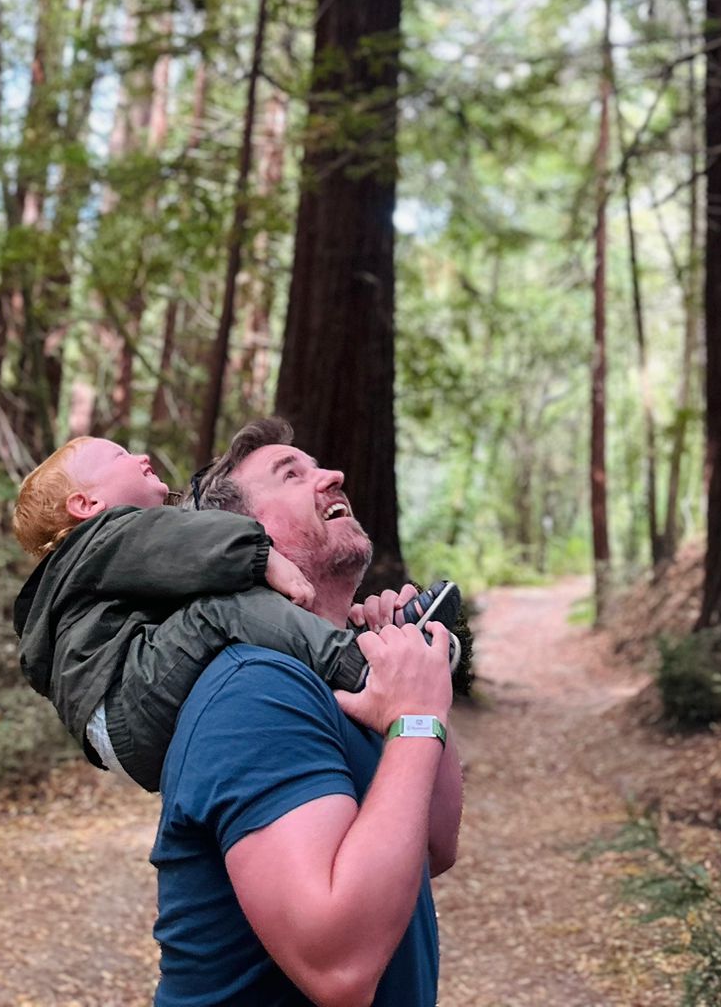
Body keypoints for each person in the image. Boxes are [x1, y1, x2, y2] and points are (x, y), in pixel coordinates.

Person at [152, 418, 463, 1007]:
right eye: (290, 474)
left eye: (316, 464)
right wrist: (415, 720)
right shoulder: (255, 689)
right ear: (242, 536)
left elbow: (432, 847)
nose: (333, 475)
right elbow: (338, 967)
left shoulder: (342, 679)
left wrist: (416, 685)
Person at [12, 434, 369, 791]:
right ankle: (359, 667)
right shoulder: (105, 536)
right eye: (120, 455)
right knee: (221, 611)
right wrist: (261, 555)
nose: (141, 456)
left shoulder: (101, 563)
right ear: (86, 504)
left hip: (123, 728)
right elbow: (183, 538)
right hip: (126, 707)